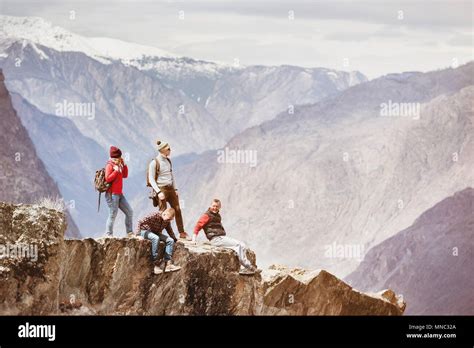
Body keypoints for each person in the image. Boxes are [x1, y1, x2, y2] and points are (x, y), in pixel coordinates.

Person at [193, 199, 258, 275]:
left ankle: (245, 267)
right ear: (210, 206)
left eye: (217, 206)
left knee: (242, 244)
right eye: (213, 206)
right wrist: (194, 239)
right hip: (216, 239)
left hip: (221, 238)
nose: (215, 208)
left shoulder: (217, 215)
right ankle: (248, 267)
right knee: (239, 245)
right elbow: (198, 226)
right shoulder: (206, 215)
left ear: (219, 207)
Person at [148, 140, 189, 240]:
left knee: (177, 209)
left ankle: (182, 232)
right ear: (162, 150)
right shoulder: (154, 163)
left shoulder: (168, 161)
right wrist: (158, 192)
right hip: (161, 189)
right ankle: (159, 233)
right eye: (168, 149)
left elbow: (171, 175)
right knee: (162, 212)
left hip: (170, 188)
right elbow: (151, 179)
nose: (170, 150)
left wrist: (175, 188)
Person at [135, 207, 181, 274]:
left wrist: (175, 240)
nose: (169, 221)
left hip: (155, 232)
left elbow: (170, 231)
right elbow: (140, 222)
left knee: (170, 240)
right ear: (164, 214)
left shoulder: (167, 221)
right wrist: (138, 234)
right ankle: (154, 263)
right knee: (156, 238)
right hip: (144, 231)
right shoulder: (154, 215)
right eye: (168, 219)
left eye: (170, 219)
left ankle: (168, 264)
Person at [104, 146, 133, 237]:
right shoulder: (109, 165)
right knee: (113, 214)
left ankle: (129, 232)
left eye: (120, 158)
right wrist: (115, 171)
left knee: (129, 212)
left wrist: (124, 165)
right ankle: (109, 234)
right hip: (112, 194)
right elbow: (107, 179)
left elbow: (125, 175)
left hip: (119, 194)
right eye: (118, 158)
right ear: (113, 158)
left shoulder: (119, 165)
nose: (119, 159)